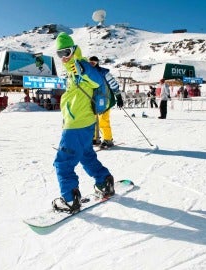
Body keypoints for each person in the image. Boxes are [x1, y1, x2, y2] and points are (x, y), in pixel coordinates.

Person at [52, 32, 115, 213]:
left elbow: (95, 80)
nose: (64, 57)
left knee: (63, 163)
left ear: (73, 50)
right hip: (85, 122)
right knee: (86, 154)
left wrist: (82, 69)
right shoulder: (73, 67)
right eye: (60, 54)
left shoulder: (81, 65)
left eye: (66, 52)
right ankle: (104, 181)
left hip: (76, 124)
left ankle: (70, 200)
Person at [88, 56, 124, 148]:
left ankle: (108, 139)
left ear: (97, 62)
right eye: (90, 62)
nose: (92, 64)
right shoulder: (88, 73)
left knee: (103, 120)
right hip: (93, 100)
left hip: (105, 100)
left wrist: (118, 97)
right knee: (92, 120)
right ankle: (95, 138)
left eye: (94, 62)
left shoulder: (104, 73)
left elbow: (113, 84)